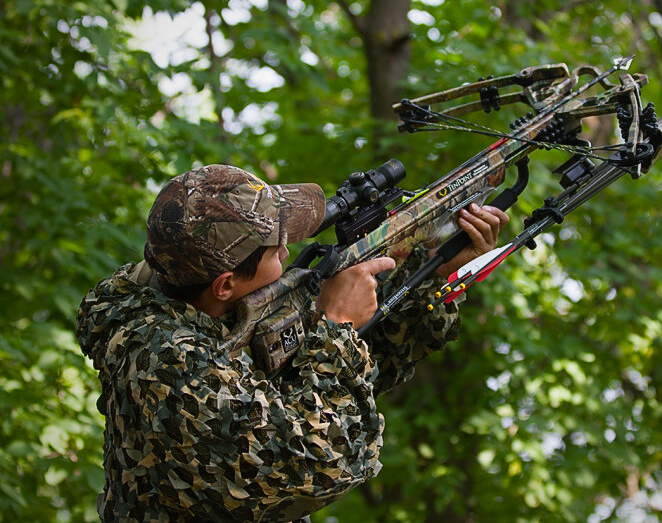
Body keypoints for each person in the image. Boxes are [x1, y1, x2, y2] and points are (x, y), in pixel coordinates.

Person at [76, 164, 507, 521]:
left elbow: (366, 374)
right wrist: (337, 327)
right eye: (273, 248)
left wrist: (432, 272)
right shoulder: (168, 366)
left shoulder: (199, 303)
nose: (288, 249)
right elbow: (318, 461)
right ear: (225, 285)